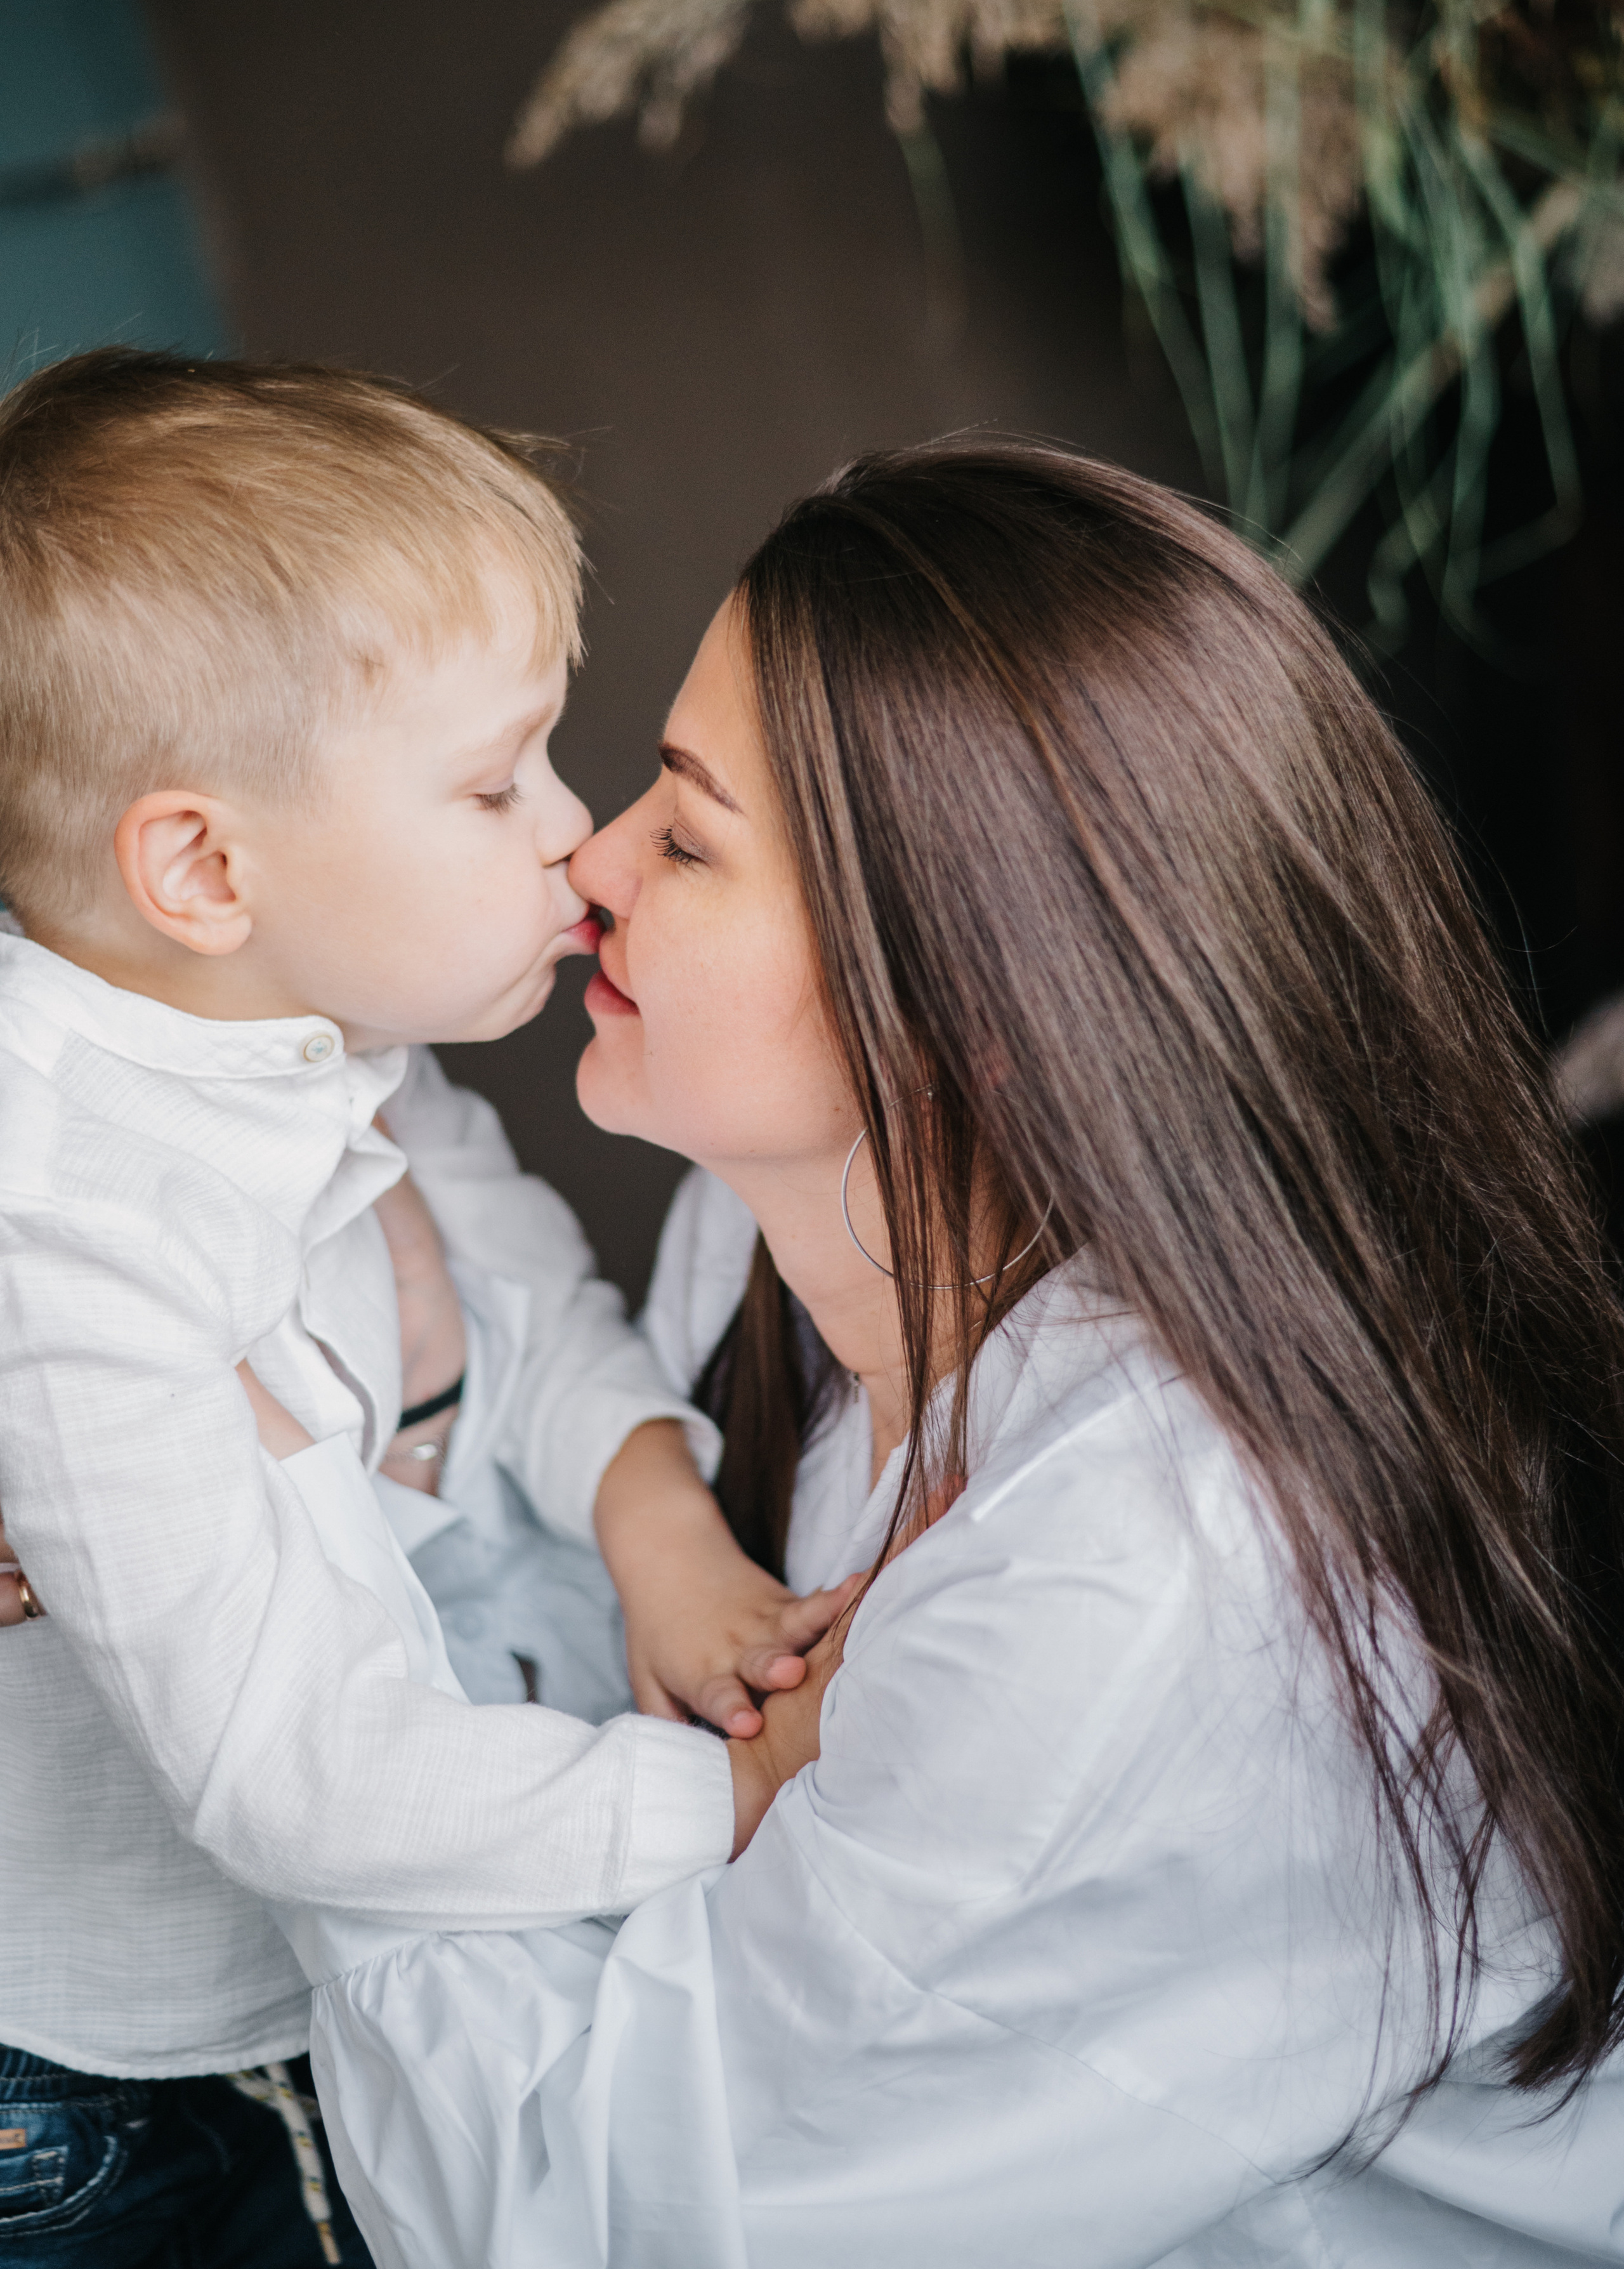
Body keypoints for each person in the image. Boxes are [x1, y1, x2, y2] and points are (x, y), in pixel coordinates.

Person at [304, 439, 1624, 2268]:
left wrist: (256, 1627)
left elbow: (585, 2214)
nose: (587, 859)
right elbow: (626, 1742)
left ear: (969, 1018)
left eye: (685, 833)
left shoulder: (1145, 1584)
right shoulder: (784, 1239)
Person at [0, 353, 849, 2265]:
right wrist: (720, 1793)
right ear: (205, 867)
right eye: (494, 785)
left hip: (316, 1967)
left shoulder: (319, 1038)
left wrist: (664, 1538)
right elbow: (288, 1774)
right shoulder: (59, 1233)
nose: (576, 831)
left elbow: (523, 1295)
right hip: (128, 2084)